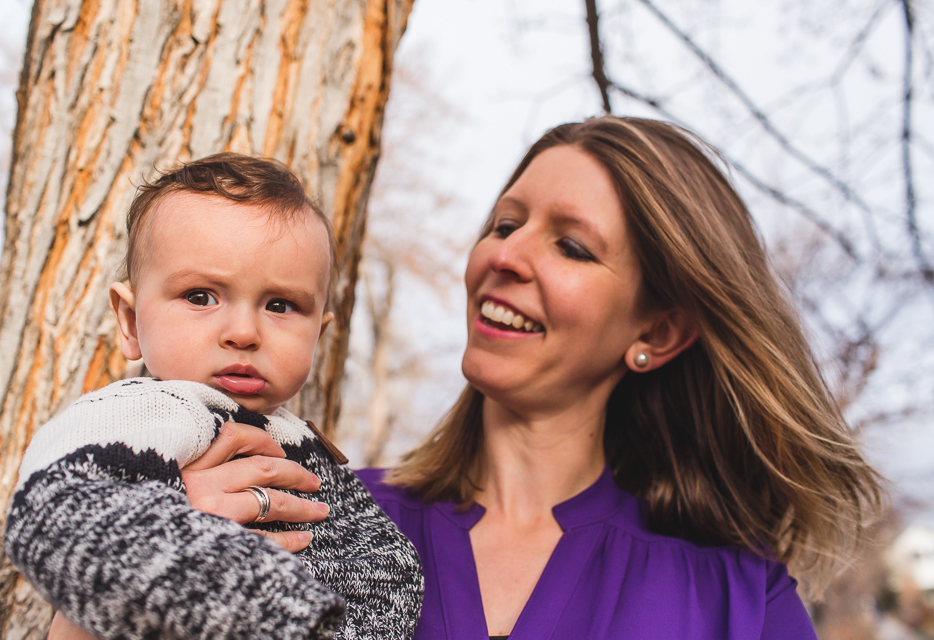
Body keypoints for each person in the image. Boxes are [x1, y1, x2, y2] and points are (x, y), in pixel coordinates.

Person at [95, 116, 883, 638]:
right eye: (506, 224)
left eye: (571, 247)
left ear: (658, 330)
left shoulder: (737, 599)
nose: (504, 255)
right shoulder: (313, 511)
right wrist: (153, 540)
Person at [6, 153, 423, 640]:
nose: (243, 332)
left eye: (280, 305)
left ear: (319, 333)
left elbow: (387, 575)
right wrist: (275, 610)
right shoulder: (139, 413)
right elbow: (54, 513)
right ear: (130, 321)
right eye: (201, 296)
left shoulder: (308, 448)